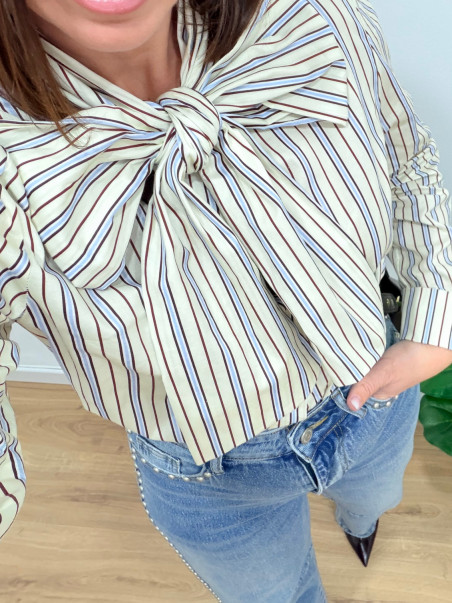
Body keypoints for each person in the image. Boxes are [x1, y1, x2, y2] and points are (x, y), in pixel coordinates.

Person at [0, 0, 451, 600]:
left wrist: (432, 310)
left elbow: (406, 159)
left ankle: (360, 522)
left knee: (376, 499)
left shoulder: (312, 19)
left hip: (379, 394)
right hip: (209, 474)